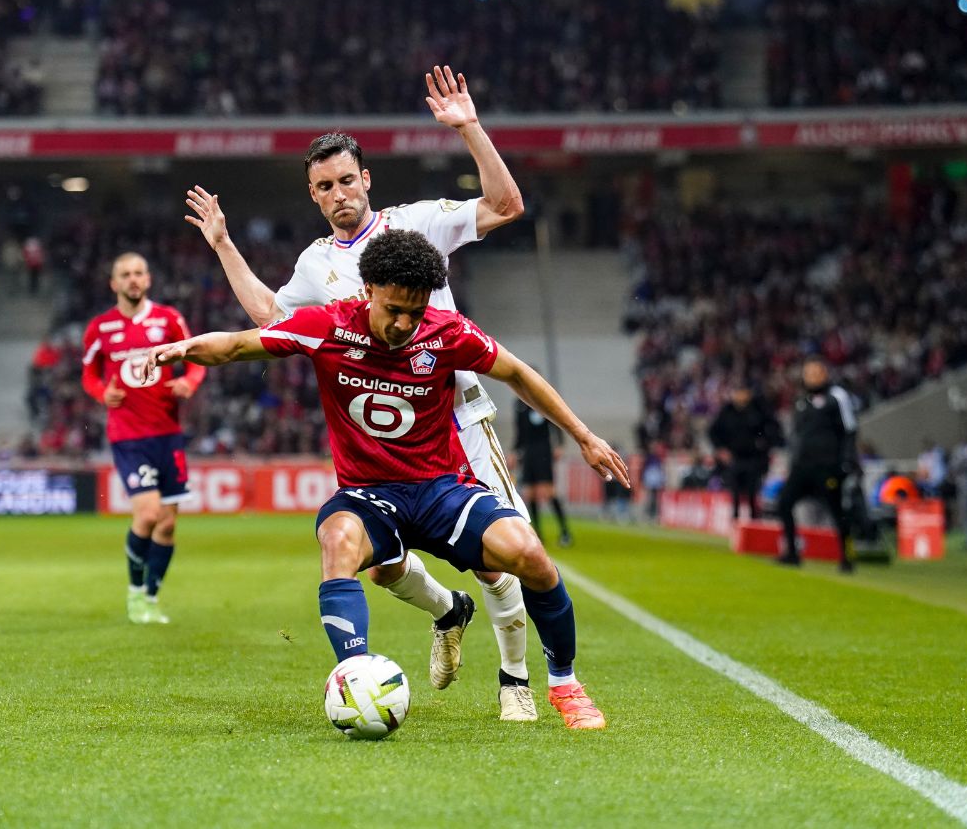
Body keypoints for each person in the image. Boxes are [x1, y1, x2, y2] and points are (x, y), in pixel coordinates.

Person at [145, 230, 630, 730]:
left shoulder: (448, 331)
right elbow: (236, 346)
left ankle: (565, 685)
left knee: (528, 552)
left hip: (442, 488)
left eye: (415, 313)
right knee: (338, 542)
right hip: (368, 493)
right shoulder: (326, 325)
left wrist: (585, 436)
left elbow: (519, 374)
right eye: (394, 309)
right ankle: (355, 675)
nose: (403, 324)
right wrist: (181, 349)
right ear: (369, 288)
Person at [185, 65, 540, 720]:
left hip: (456, 415)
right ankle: (447, 609)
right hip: (382, 437)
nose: (339, 192)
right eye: (325, 186)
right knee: (381, 566)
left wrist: (469, 128)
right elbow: (270, 318)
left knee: (497, 555)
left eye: (348, 179)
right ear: (313, 195)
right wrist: (225, 244)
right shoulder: (315, 265)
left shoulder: (415, 225)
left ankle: (515, 677)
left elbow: (506, 206)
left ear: (366, 180)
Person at [81, 252, 206, 624]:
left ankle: (151, 598)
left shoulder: (168, 319)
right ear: (114, 283)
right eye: (125, 274)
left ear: (148, 279)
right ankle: (135, 594)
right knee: (149, 514)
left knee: (167, 523)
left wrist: (189, 380)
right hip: (128, 436)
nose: (133, 279)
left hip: (168, 433)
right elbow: (88, 374)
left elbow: (195, 356)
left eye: (139, 273)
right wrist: (102, 393)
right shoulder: (100, 328)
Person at [776, 356, 858, 572]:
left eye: (816, 372)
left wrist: (847, 461)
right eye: (808, 373)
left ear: (825, 373)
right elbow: (797, 435)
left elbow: (849, 430)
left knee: (837, 511)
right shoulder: (802, 400)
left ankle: (847, 558)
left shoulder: (836, 397)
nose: (812, 377)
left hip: (828, 465)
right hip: (803, 466)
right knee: (784, 503)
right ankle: (792, 553)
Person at [709, 382, 782, 520]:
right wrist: (721, 449)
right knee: (734, 491)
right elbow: (713, 432)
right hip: (735, 458)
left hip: (754, 458)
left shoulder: (759, 409)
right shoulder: (727, 411)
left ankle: (754, 521)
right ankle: (735, 520)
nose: (741, 396)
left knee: (753, 491)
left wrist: (764, 444)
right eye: (738, 393)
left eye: (744, 392)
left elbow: (773, 428)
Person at [513, 392, 572, 546]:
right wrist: (514, 452)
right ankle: (538, 535)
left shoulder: (543, 399)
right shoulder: (519, 405)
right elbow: (520, 433)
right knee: (530, 493)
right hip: (528, 453)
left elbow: (557, 422)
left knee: (548, 491)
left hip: (544, 451)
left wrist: (559, 444)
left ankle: (565, 532)